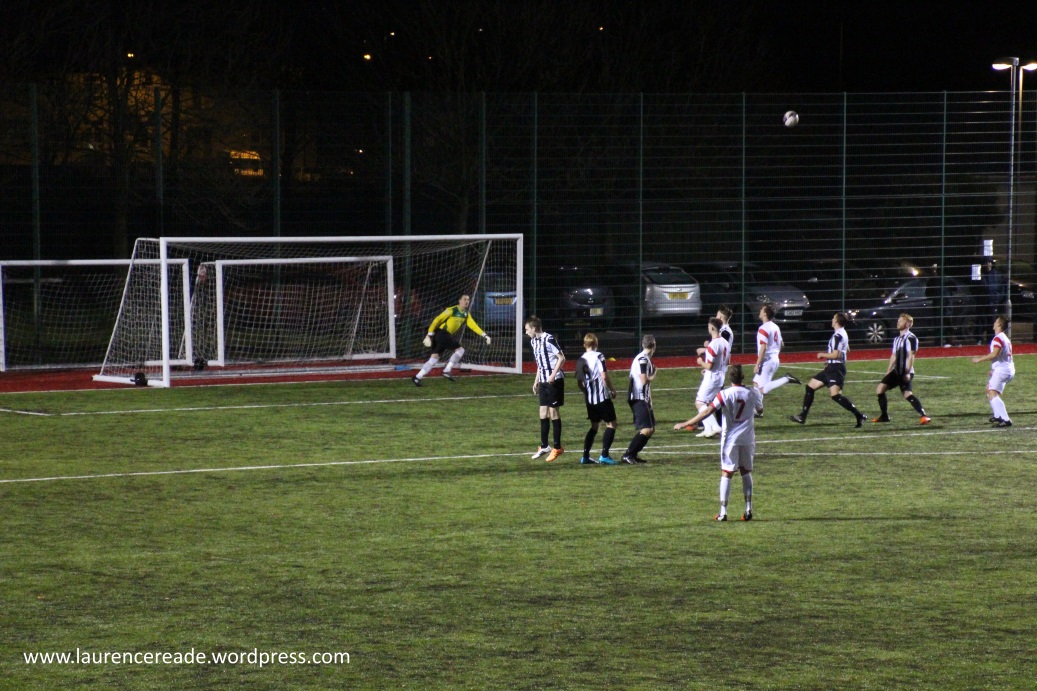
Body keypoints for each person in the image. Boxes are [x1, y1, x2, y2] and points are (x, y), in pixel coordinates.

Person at [675, 364, 762, 522]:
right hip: (748, 438)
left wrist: (687, 422)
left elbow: (708, 411)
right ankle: (748, 509)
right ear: (743, 377)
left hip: (730, 439)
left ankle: (723, 512)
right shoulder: (753, 392)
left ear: (730, 378)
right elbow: (760, 410)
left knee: (727, 473)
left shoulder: (724, 394)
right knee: (746, 471)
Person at [788, 312, 868, 428]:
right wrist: (831, 360)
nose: (832, 319)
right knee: (810, 387)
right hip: (831, 368)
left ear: (836, 321)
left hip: (836, 369)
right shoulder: (842, 333)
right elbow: (847, 350)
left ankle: (859, 415)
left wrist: (822, 355)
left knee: (835, 396)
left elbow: (835, 355)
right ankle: (802, 416)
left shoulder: (838, 336)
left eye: (833, 318)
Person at [412, 294, 491, 386]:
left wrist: (484, 335)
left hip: (443, 335)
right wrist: (429, 334)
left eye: (468, 300)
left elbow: (473, 326)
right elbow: (437, 320)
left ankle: (417, 377)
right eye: (464, 299)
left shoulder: (466, 314)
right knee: (460, 350)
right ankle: (447, 370)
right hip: (442, 334)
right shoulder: (451, 310)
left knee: (434, 358)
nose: (466, 301)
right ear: (459, 301)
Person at [872, 313, 931, 425]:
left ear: (908, 324)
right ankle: (885, 416)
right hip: (896, 371)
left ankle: (924, 416)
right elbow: (894, 356)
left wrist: (907, 372)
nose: (898, 323)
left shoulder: (911, 338)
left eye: (901, 321)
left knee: (906, 394)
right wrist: (888, 371)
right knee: (882, 390)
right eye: (898, 321)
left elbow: (910, 356)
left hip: (905, 372)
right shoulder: (897, 339)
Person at [525, 316, 566, 461]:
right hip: (543, 381)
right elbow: (540, 363)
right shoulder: (533, 342)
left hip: (554, 381)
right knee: (543, 412)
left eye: (527, 329)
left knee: (553, 412)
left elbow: (562, 358)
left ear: (534, 328)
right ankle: (544, 446)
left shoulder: (549, 339)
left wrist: (553, 375)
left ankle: (557, 447)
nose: (526, 332)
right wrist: (536, 381)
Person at [574, 332, 619, 465]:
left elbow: (579, 382)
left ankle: (585, 456)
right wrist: (612, 389)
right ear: (596, 344)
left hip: (590, 399)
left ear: (584, 345)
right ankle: (604, 455)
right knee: (611, 424)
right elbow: (603, 376)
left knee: (594, 426)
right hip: (602, 397)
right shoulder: (599, 356)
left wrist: (586, 392)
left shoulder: (581, 359)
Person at [752, 305, 799, 416]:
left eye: (761, 309)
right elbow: (782, 344)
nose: (760, 311)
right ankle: (759, 410)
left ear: (765, 314)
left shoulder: (763, 328)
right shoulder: (775, 326)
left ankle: (786, 379)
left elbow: (763, 347)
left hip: (767, 361)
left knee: (763, 389)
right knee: (756, 384)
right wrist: (775, 354)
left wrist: (757, 364)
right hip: (773, 359)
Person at [972, 315, 1015, 428]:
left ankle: (1006, 419)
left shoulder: (998, 338)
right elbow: (1002, 356)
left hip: (1003, 370)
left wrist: (979, 359)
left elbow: (994, 354)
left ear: (999, 325)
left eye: (996, 322)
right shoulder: (1004, 337)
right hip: (1006, 368)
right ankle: (997, 415)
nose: (994, 323)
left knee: (992, 393)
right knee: (988, 388)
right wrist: (994, 369)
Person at [691, 317, 730, 439]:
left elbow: (709, 365)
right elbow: (727, 361)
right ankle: (708, 429)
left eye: (709, 326)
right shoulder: (725, 342)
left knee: (699, 402)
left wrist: (700, 362)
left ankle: (715, 426)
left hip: (712, 377)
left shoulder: (713, 344)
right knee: (706, 402)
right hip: (720, 376)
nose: (708, 327)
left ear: (712, 328)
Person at [622, 334, 657, 464]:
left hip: (643, 398)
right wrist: (653, 375)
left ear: (643, 344)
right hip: (637, 397)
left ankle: (633, 454)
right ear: (654, 345)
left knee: (651, 429)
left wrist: (649, 399)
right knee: (646, 429)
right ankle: (628, 455)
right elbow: (644, 380)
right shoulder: (643, 359)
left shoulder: (645, 358)